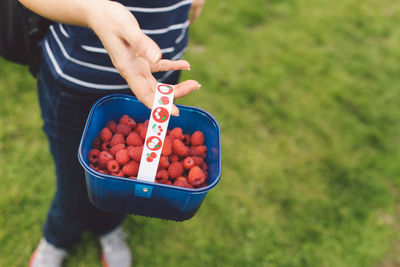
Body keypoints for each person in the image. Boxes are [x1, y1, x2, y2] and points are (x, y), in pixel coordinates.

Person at [18, 0, 205, 266]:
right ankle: (58, 235)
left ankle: (108, 226)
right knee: (73, 181)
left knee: (126, 184)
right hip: (78, 81)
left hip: (154, 81)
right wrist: (91, 11)